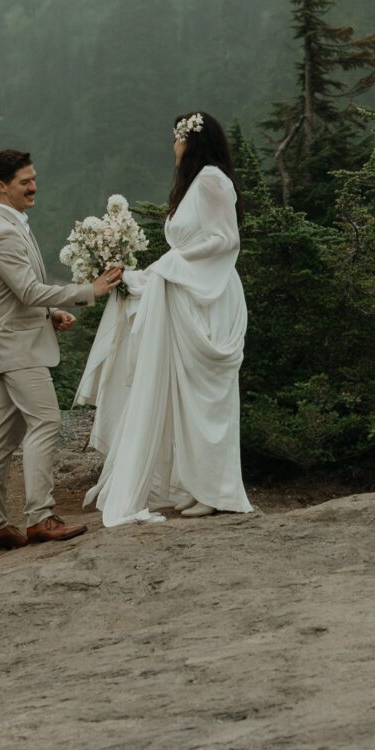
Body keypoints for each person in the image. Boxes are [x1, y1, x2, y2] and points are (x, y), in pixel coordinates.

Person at [77, 111, 254, 527]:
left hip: (208, 298)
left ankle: (217, 489)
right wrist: (151, 273)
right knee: (187, 398)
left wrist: (172, 265)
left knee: (208, 398)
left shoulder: (212, 179)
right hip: (186, 294)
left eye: (176, 138)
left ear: (190, 140)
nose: (172, 147)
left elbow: (226, 239)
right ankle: (197, 487)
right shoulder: (193, 185)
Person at [0, 147, 122, 551]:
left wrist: (52, 313)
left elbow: (18, 293)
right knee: (46, 423)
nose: (34, 186)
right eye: (25, 181)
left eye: (34, 178)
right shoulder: (4, 231)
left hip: (15, 342)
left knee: (1, 439)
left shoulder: (13, 224)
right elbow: (26, 290)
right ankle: (40, 518)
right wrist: (86, 291)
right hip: (18, 349)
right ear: (2, 186)